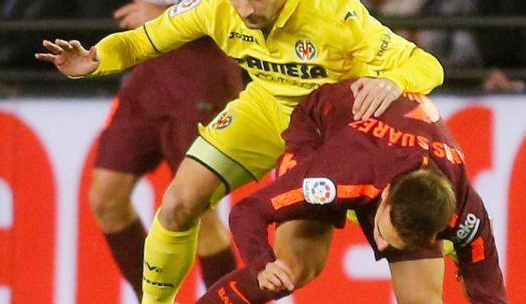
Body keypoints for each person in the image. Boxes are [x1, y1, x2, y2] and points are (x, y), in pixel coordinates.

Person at [35, 0, 444, 302]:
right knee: (177, 204)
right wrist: (94, 58)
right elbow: (144, 40)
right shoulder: (215, 1)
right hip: (264, 109)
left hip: (328, 133)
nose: (245, 9)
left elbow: (427, 65)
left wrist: (392, 81)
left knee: (299, 264)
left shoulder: (337, 14)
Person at [195, 79, 507, 303]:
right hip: (322, 130)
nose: (379, 245)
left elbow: (489, 294)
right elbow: (250, 210)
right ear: (384, 197)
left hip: (393, 157)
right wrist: (262, 263)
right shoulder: (337, 175)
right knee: (292, 267)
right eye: (382, 233)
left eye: (387, 241)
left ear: (434, 235)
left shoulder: (468, 215)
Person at [87, 0, 241, 300]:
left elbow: (243, 7)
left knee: (196, 216)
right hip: (151, 77)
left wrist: (165, 15)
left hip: (202, 86)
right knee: (105, 198)